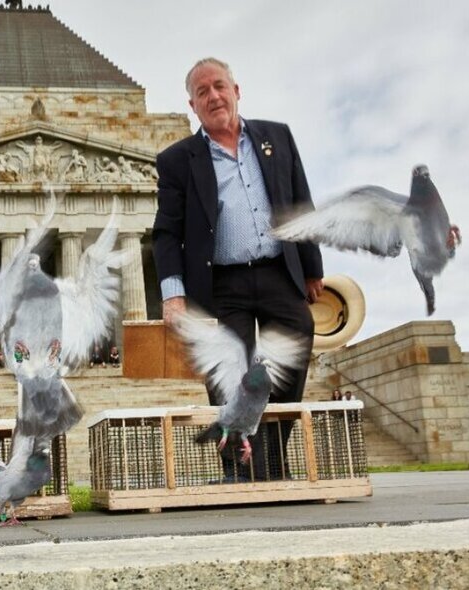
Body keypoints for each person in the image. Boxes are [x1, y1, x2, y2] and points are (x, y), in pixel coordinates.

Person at [152, 57, 323, 483]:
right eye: (203, 92)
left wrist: (312, 267)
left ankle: (270, 462)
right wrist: (173, 294)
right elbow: (167, 233)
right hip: (220, 282)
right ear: (192, 105)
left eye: (219, 86)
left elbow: (301, 202)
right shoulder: (177, 160)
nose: (213, 96)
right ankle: (238, 473)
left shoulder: (277, 137)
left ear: (236, 90)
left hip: (277, 271)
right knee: (228, 376)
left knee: (295, 349)